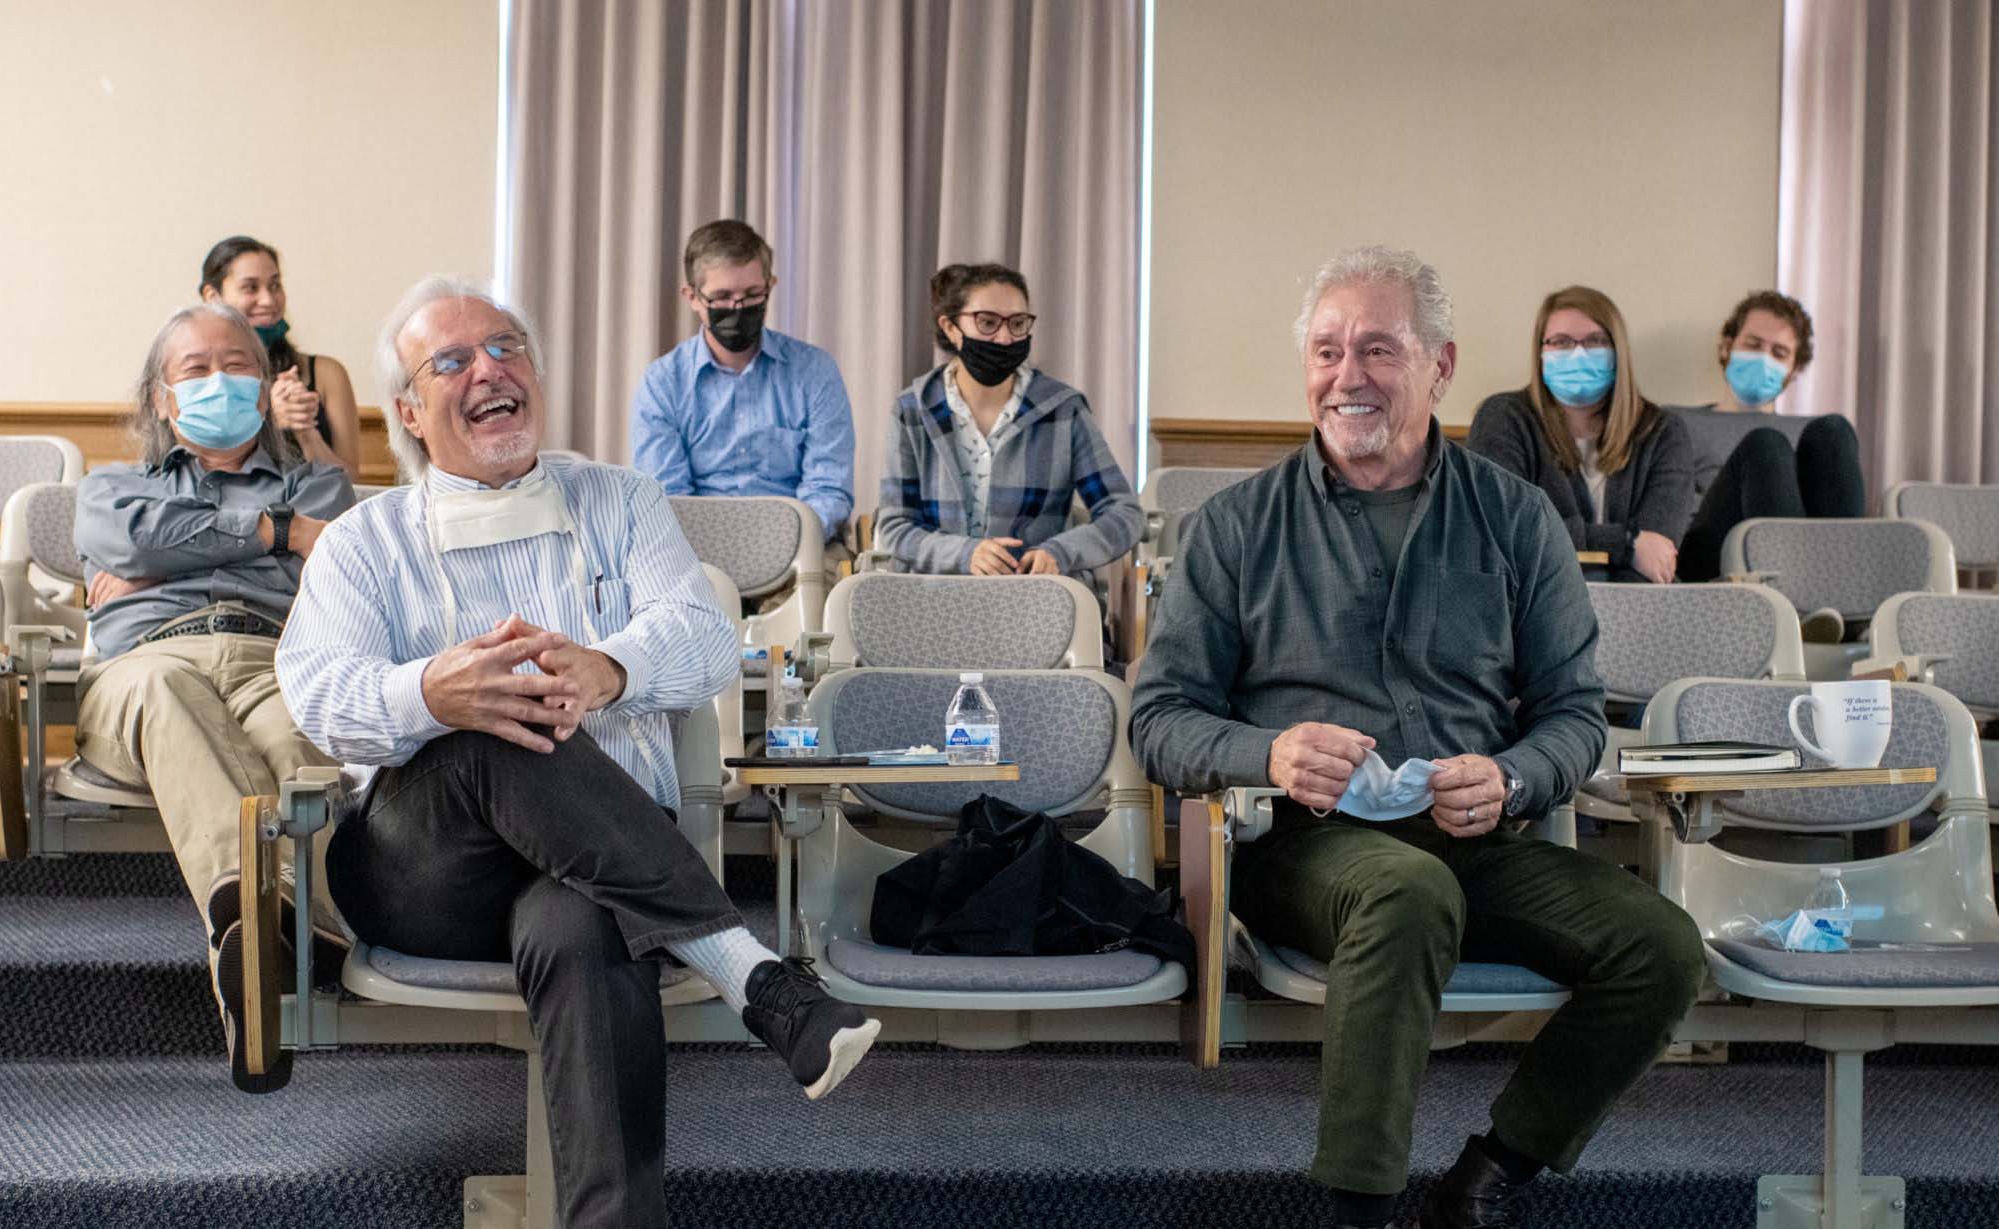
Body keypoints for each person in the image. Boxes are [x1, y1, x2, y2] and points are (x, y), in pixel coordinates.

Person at [277, 276, 879, 1227]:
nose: (491, 370)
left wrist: (609, 666)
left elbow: (707, 636)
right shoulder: (365, 539)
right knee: (490, 724)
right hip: (425, 872)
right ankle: (750, 973)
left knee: (581, 921)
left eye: (508, 348)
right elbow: (314, 695)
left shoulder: (620, 501)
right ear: (408, 412)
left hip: (601, 872)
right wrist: (432, 692)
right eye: (453, 361)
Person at [1128, 247, 1704, 1229]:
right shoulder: (1233, 527)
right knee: (1402, 890)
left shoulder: (1516, 518)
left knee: (1660, 944)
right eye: (1325, 349)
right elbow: (1157, 720)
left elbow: (1573, 713)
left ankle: (1487, 1175)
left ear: (1439, 365)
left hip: (1476, 843)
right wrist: (1263, 753)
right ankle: (1355, 1205)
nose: (1345, 375)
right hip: (1304, 850)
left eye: (1376, 349)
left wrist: (1514, 775)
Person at [74, 302, 355, 1091]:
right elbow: (127, 536)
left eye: (235, 365)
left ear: (266, 387)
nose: (217, 380)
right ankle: (289, 927)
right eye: (194, 369)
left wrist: (171, 545)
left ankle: (253, 954)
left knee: (307, 737)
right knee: (168, 690)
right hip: (149, 659)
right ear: (164, 400)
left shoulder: (322, 483)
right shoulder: (112, 486)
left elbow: (342, 571)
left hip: (279, 653)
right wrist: (278, 534)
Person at [874, 262, 1142, 590]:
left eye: (1018, 324)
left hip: (1034, 601)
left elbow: (1124, 513)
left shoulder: (1063, 409)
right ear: (950, 327)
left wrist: (1060, 552)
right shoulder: (912, 409)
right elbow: (893, 527)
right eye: (987, 322)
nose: (1004, 337)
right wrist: (964, 554)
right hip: (934, 600)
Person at [630, 219, 856, 587]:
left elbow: (828, 490)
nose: (738, 308)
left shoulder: (815, 371)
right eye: (721, 298)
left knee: (814, 607)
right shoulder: (662, 383)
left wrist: (778, 548)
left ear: (771, 287)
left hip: (800, 551)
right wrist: (727, 555)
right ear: (692, 297)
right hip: (697, 556)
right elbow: (668, 500)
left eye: (752, 295)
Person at [1467, 286, 1693, 584]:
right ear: (1540, 352)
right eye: (1560, 342)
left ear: (1618, 352)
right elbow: (1503, 529)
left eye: (1595, 341)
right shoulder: (1503, 418)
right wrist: (1626, 543)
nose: (1577, 353)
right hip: (1533, 604)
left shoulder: (1663, 431)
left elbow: (1657, 554)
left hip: (1639, 607)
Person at [1671, 292, 1865, 620]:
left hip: (1810, 563)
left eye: (1779, 352)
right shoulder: (1676, 422)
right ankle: (1795, 608)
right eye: (1753, 344)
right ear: (1726, 347)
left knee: (1834, 430)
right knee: (1766, 446)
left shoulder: (1810, 433)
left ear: (1793, 371)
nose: (1764, 358)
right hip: (1707, 557)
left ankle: (1843, 607)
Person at [200, 235, 362, 475]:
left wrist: (306, 432)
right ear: (213, 297)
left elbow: (350, 482)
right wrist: (268, 421)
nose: (268, 299)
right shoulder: (198, 379)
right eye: (250, 288)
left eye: (275, 285)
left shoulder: (326, 373)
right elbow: (203, 476)